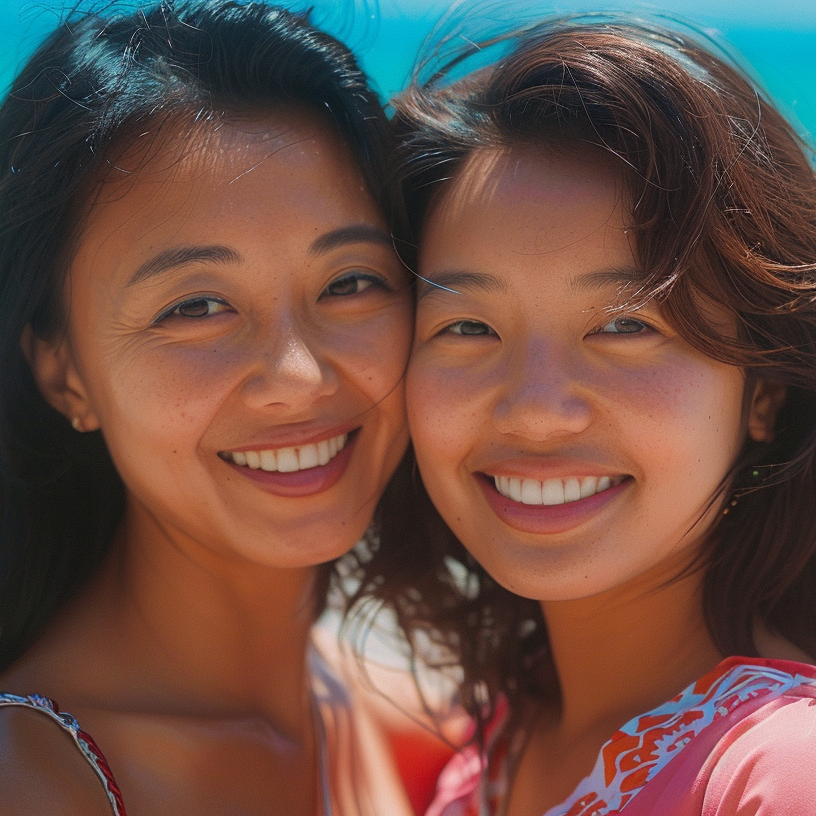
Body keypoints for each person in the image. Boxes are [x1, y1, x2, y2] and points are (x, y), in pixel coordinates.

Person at [357, 15, 816, 815]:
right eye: (468, 327)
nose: (537, 412)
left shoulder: (774, 773)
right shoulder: (501, 742)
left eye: (624, 325)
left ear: (764, 390)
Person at [0, 1, 422, 813]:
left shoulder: (409, 728)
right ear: (64, 374)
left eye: (349, 283)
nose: (297, 376)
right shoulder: (35, 780)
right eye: (195, 307)